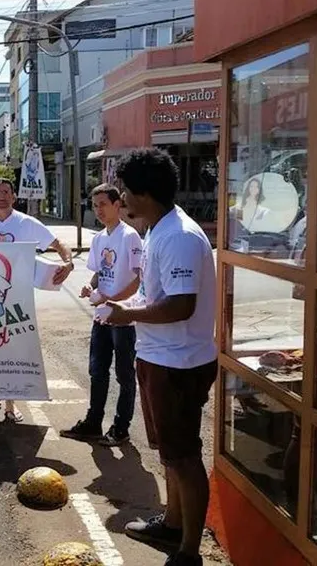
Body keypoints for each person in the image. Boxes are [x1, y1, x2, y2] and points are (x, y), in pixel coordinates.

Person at [102, 148, 217, 566]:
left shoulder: (179, 236)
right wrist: (119, 305)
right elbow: (158, 294)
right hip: (159, 356)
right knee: (170, 453)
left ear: (144, 194)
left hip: (179, 363)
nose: (122, 200)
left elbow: (182, 305)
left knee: (184, 455)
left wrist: (127, 314)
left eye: (125, 192)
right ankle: (172, 524)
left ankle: (189, 552)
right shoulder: (158, 229)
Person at [0, 178, 74, 422]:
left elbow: (59, 244)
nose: (2, 196)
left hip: (18, 299)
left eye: (6, 192)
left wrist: (68, 264)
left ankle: (10, 404)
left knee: (13, 349)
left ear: (14, 196)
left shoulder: (27, 223)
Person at [60, 184, 143, 446]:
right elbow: (99, 273)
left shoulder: (129, 237)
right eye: (94, 205)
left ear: (118, 204)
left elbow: (137, 280)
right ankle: (93, 422)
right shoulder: (99, 239)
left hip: (124, 317)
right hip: (102, 316)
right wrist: (91, 286)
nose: (98, 210)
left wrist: (112, 300)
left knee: (124, 374)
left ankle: (121, 427)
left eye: (103, 204)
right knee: (98, 371)